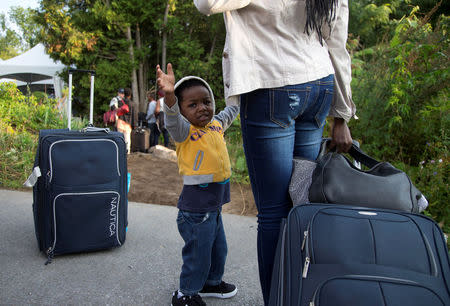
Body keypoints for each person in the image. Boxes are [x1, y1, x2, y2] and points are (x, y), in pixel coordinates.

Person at [193, 1, 356, 304]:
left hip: (273, 85)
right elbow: (337, 39)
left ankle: (279, 300)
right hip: (318, 84)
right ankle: (302, 296)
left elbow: (207, 3)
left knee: (274, 212)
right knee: (300, 204)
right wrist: (342, 115)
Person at [157, 63, 239, 306]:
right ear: (182, 111)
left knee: (217, 249)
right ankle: (185, 293)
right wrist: (170, 96)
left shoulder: (216, 124)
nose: (202, 108)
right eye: (192, 105)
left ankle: (210, 283)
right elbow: (171, 118)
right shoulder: (184, 130)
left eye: (206, 102)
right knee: (198, 253)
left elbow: (232, 109)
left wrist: (240, 88)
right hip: (195, 211)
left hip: (214, 206)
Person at [114, 87, 134, 154]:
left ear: (123, 94)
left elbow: (115, 111)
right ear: (130, 95)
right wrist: (135, 125)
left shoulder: (119, 102)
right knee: (127, 138)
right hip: (128, 124)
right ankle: (127, 152)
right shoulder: (132, 104)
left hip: (120, 122)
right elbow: (134, 115)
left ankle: (119, 152)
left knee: (120, 138)